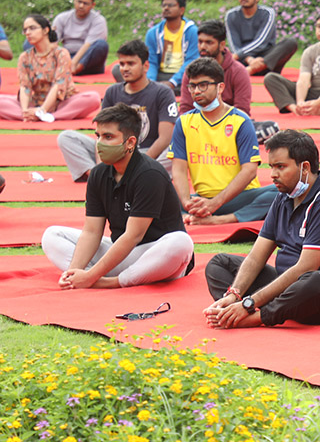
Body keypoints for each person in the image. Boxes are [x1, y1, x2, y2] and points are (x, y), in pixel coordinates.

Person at [203, 130, 320, 329]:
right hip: (287, 286)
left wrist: (250, 303)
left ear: (305, 167)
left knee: (315, 281)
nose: (273, 174)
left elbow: (306, 268)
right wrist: (234, 293)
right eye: (271, 167)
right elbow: (256, 256)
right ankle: (232, 309)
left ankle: (254, 317)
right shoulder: (283, 196)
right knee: (219, 263)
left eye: (280, 167)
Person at [41, 103, 194, 289]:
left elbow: (133, 236)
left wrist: (91, 276)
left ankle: (109, 282)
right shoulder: (98, 174)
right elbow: (92, 231)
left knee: (181, 243)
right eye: (98, 136)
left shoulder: (149, 174)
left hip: (154, 254)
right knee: (52, 235)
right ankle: (88, 278)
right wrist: (75, 272)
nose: (99, 143)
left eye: (108, 137)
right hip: (121, 253)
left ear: (130, 142)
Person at [169, 58, 279, 224]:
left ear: (220, 87)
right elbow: (178, 169)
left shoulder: (240, 121)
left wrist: (215, 203)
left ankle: (220, 220)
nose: (196, 91)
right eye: (192, 86)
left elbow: (249, 171)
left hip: (239, 198)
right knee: (154, 188)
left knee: (282, 191)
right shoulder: (183, 122)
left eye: (203, 85)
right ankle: (189, 214)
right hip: (200, 199)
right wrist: (186, 202)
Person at [57, 40, 178, 182]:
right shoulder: (112, 92)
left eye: (131, 64)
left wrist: (139, 165)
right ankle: (100, 177)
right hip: (116, 151)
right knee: (66, 138)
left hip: (148, 153)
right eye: (122, 64)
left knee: (176, 149)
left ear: (145, 66)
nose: (125, 68)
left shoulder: (162, 92)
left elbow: (165, 138)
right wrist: (101, 166)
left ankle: (134, 175)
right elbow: (101, 135)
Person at [0, 15, 100, 122]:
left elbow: (58, 85)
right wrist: (25, 110)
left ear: (45, 30)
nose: (28, 33)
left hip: (62, 103)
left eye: (32, 28)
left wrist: (43, 110)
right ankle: (32, 116)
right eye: (25, 30)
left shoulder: (61, 54)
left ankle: (50, 116)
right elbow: (25, 87)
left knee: (93, 98)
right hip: (35, 102)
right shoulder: (25, 57)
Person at [225, 0, 298, 76]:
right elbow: (234, 46)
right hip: (243, 61)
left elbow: (261, 42)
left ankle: (253, 69)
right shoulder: (231, 15)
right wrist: (249, 59)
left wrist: (244, 58)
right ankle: (251, 68)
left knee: (291, 43)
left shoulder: (268, 13)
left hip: (267, 59)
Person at [178, 20, 252, 115]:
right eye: (200, 42)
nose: (203, 46)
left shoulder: (238, 71)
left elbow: (242, 111)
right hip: (197, 126)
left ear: (221, 45)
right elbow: (186, 108)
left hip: (229, 126)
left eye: (209, 42)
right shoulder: (191, 71)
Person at [138, 0, 199, 96]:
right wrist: (150, 83)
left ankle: (165, 90)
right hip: (160, 75)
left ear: (182, 10)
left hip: (184, 76)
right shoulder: (153, 33)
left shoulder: (192, 31)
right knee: (121, 70)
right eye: (164, 5)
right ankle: (158, 89)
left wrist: (172, 82)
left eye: (170, 5)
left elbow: (191, 61)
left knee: (198, 79)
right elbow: (151, 61)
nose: (166, 8)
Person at [51, 0, 109, 76]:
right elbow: (53, 42)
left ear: (93, 5)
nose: (81, 6)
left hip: (88, 60)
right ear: (74, 1)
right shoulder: (62, 18)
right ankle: (63, 69)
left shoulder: (98, 20)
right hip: (66, 57)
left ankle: (71, 71)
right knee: (32, 42)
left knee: (101, 45)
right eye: (79, 2)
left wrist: (73, 64)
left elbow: (88, 44)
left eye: (85, 3)